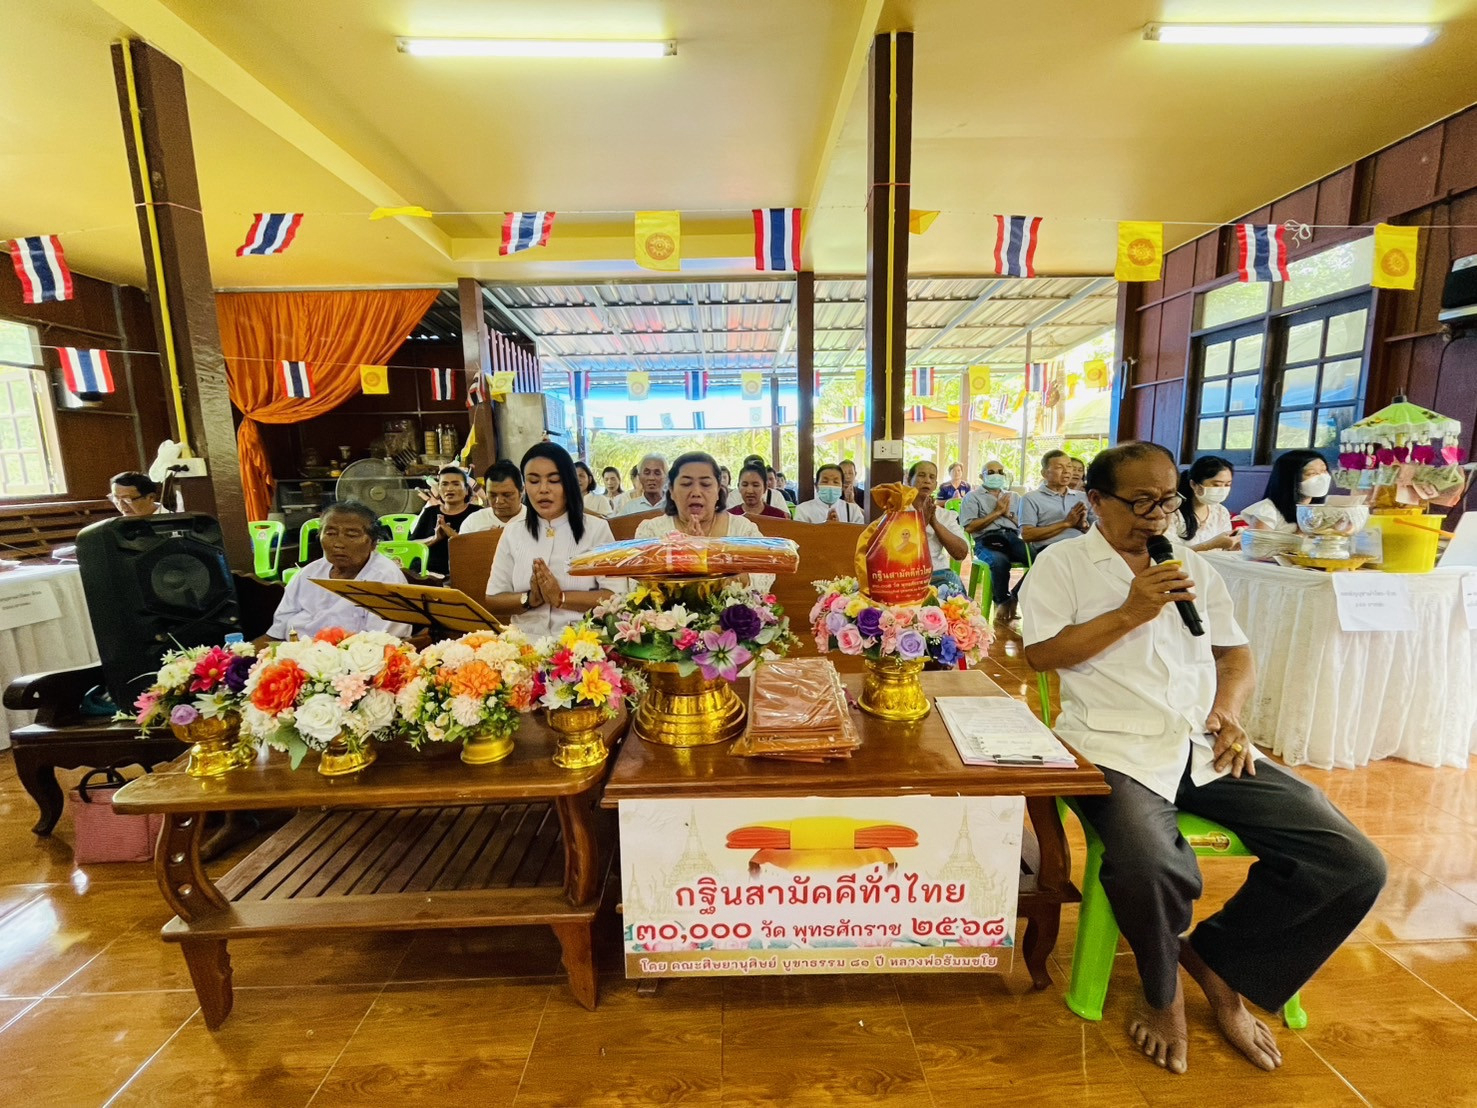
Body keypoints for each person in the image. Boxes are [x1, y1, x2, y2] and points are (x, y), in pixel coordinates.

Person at [1020, 442, 1383, 1077]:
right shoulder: (1062, 565)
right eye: (1139, 503)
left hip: (1201, 740)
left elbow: (1233, 654)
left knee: (1351, 860)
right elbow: (1042, 655)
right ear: (1095, 502)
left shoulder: (1193, 566)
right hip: (1112, 745)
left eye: (1167, 500)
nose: (1157, 516)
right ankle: (1163, 995)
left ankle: (1219, 962)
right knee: (1149, 860)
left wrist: (1231, 712)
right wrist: (1133, 610)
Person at [485, 443, 623, 636]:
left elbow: (615, 596)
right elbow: (493, 599)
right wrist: (530, 599)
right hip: (525, 643)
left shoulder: (596, 529)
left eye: (554, 480)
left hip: (581, 643)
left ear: (569, 483)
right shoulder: (513, 532)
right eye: (533, 481)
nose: (543, 489)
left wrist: (560, 598)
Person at [264, 501, 414, 640]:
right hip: (296, 654)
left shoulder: (385, 577)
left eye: (351, 535)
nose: (338, 543)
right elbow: (277, 631)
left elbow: (380, 644)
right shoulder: (309, 573)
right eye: (330, 533)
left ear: (373, 543)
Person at [636, 452, 775, 593]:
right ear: (671, 490)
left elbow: (765, 575)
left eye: (706, 484)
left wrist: (712, 566)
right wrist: (686, 555)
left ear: (718, 491)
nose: (696, 492)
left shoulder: (743, 530)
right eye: (686, 484)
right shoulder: (651, 532)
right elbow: (639, 585)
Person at [959, 460, 1032, 622]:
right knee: (999, 562)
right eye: (991, 472)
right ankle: (1001, 602)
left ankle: (1014, 596)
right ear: (981, 476)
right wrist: (997, 512)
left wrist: (1008, 515)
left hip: (1012, 538)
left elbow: (1023, 524)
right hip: (986, 540)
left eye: (1000, 472)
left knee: (1041, 559)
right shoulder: (972, 497)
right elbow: (969, 526)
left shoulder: (1013, 497)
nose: (996, 475)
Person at [907, 461, 969, 597]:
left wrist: (934, 522)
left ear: (935, 485)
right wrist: (921, 523)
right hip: (903, 575)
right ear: (909, 480)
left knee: (957, 602)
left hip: (938, 574)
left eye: (932, 477)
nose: (927, 481)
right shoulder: (897, 512)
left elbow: (961, 553)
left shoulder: (944, 515)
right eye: (921, 476)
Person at [409, 465, 482, 575]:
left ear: (466, 490)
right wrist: (435, 538)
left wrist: (453, 536)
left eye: (456, 484)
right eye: (444, 484)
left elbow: (482, 548)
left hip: (464, 573)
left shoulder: (477, 513)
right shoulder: (430, 512)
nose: (449, 489)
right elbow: (412, 546)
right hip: (427, 572)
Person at [1018, 449, 1093, 554]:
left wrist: (1084, 527)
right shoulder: (1030, 498)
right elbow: (1027, 535)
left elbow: (1100, 532)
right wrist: (1066, 523)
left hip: (1082, 547)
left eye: (1069, 466)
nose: (1066, 471)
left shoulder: (1083, 497)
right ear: (1044, 473)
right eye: (1059, 467)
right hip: (1050, 550)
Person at [1241, 450, 1330, 533]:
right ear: (1290, 478)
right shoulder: (1267, 510)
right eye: (1311, 473)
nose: (1322, 477)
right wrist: (1300, 534)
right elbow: (1258, 546)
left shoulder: (1321, 508)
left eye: (1324, 470)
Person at [1176, 457, 1239, 552]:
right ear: (1193, 484)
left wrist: (1234, 544)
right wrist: (1210, 545)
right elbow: (1171, 554)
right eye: (1216, 485)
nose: (1222, 489)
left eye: (1227, 485)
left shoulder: (1221, 511)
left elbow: (1224, 551)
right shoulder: (1173, 511)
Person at [459, 460, 525, 534]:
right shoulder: (472, 523)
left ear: (522, 491)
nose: (499, 501)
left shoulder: (536, 521)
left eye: (507, 495)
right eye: (493, 495)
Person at [795, 464, 866, 524]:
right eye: (825, 481)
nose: (830, 485)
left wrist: (839, 528)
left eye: (836, 482)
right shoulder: (803, 510)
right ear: (816, 486)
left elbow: (859, 536)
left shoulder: (853, 510)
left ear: (842, 487)